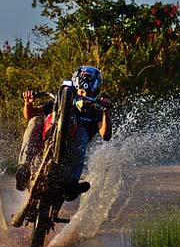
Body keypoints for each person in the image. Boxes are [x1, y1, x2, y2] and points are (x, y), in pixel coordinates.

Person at [15, 65, 112, 201]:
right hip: (46, 141)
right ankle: (24, 168)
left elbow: (105, 135)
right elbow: (29, 115)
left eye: (89, 94)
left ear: (96, 93)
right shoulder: (59, 102)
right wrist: (28, 103)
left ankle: (72, 183)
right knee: (36, 120)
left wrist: (105, 111)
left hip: (72, 156)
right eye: (81, 92)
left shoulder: (96, 111)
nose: (84, 97)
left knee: (82, 133)